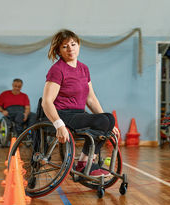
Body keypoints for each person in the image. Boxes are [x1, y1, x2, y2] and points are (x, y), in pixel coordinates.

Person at [41, 29, 119, 177]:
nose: (70, 49)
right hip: (63, 114)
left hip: (78, 114)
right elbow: (47, 102)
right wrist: (59, 125)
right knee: (104, 119)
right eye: (65, 46)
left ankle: (85, 162)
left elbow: (90, 99)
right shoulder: (57, 70)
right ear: (58, 51)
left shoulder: (84, 68)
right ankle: (84, 164)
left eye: (73, 44)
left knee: (108, 118)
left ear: (79, 45)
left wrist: (110, 125)